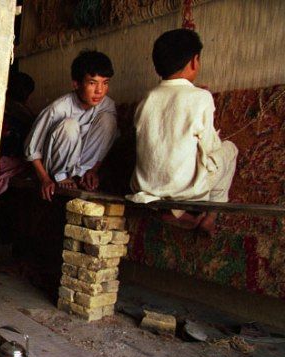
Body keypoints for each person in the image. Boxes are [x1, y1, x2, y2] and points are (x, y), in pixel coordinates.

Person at [128, 29, 237, 235]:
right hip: (185, 190)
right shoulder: (201, 97)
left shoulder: (146, 99)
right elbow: (209, 148)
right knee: (229, 149)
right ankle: (210, 216)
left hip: (145, 187)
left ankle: (174, 212)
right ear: (195, 61)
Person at [24, 50, 117, 200]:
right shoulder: (58, 108)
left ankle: (83, 174)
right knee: (70, 125)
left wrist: (93, 170)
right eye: (92, 83)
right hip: (53, 167)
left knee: (108, 120)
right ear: (76, 84)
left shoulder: (106, 105)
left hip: (81, 165)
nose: (99, 91)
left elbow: (105, 141)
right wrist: (45, 179)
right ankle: (62, 177)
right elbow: (31, 150)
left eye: (105, 83)